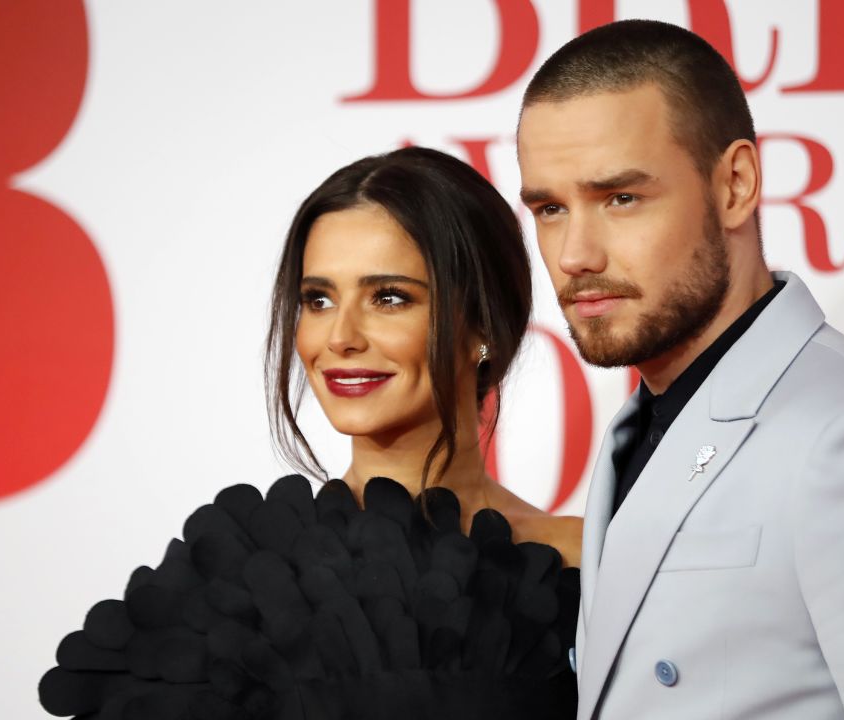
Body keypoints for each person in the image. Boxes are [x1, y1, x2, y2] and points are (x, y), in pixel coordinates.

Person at [516, 19, 844, 720]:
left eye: (620, 198)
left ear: (736, 184)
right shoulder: (645, 421)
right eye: (549, 208)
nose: (574, 254)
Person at [38, 147, 581, 719]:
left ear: (485, 326)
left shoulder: (584, 563)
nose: (340, 337)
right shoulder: (236, 580)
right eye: (317, 300)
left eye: (389, 298)